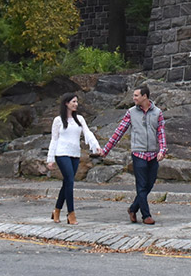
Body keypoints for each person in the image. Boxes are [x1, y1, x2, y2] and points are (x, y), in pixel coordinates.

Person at [95, 85, 167, 224]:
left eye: (136, 95)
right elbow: (119, 131)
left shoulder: (157, 112)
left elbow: (161, 133)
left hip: (153, 154)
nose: (133, 98)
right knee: (141, 185)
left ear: (144, 96)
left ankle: (133, 208)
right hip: (138, 153)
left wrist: (162, 150)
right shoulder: (131, 112)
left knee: (149, 185)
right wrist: (106, 150)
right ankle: (146, 215)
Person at [45, 92, 99, 224]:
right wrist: (50, 158)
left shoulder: (79, 119)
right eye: (73, 102)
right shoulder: (58, 121)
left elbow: (87, 132)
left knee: (67, 183)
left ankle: (56, 210)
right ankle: (71, 213)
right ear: (66, 103)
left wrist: (96, 146)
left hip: (75, 154)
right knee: (69, 180)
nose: (76, 104)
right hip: (61, 153)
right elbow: (54, 139)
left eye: (76, 102)